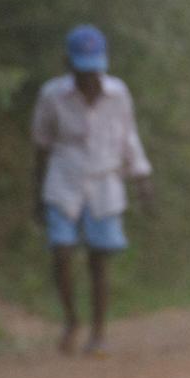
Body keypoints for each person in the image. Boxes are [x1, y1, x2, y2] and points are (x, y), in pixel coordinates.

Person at [30, 24, 155, 357]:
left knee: (99, 261)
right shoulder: (51, 95)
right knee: (62, 251)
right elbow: (41, 145)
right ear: (69, 65)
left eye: (95, 69)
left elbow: (129, 136)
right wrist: (37, 194)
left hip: (105, 181)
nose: (90, 78)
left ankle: (98, 333)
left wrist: (141, 177)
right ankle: (72, 320)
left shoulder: (118, 94)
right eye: (83, 70)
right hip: (63, 180)